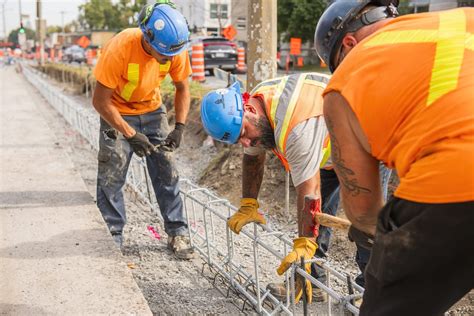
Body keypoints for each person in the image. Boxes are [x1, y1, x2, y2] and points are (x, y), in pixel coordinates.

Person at [315, 0, 474, 314]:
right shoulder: (464, 17)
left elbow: (363, 212)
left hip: (457, 178)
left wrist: (381, 247)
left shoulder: (345, 81)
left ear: (348, 44)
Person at [201, 74, 338, 303]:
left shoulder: (295, 127)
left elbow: (309, 192)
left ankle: (371, 293)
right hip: (330, 146)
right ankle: (311, 281)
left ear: (249, 110)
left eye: (244, 134)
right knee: (318, 220)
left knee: (368, 221)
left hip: (367, 140)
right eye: (238, 141)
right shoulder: (258, 106)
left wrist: (304, 243)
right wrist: (248, 203)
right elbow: (253, 157)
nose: (245, 143)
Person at [92, 2, 194, 259]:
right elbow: (100, 101)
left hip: (152, 110)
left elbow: (183, 88)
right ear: (147, 37)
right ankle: (112, 235)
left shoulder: (173, 46)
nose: (170, 60)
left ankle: (177, 232)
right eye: (164, 55)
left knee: (167, 170)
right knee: (112, 173)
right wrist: (130, 134)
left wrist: (179, 127)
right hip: (116, 111)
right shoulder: (121, 47)